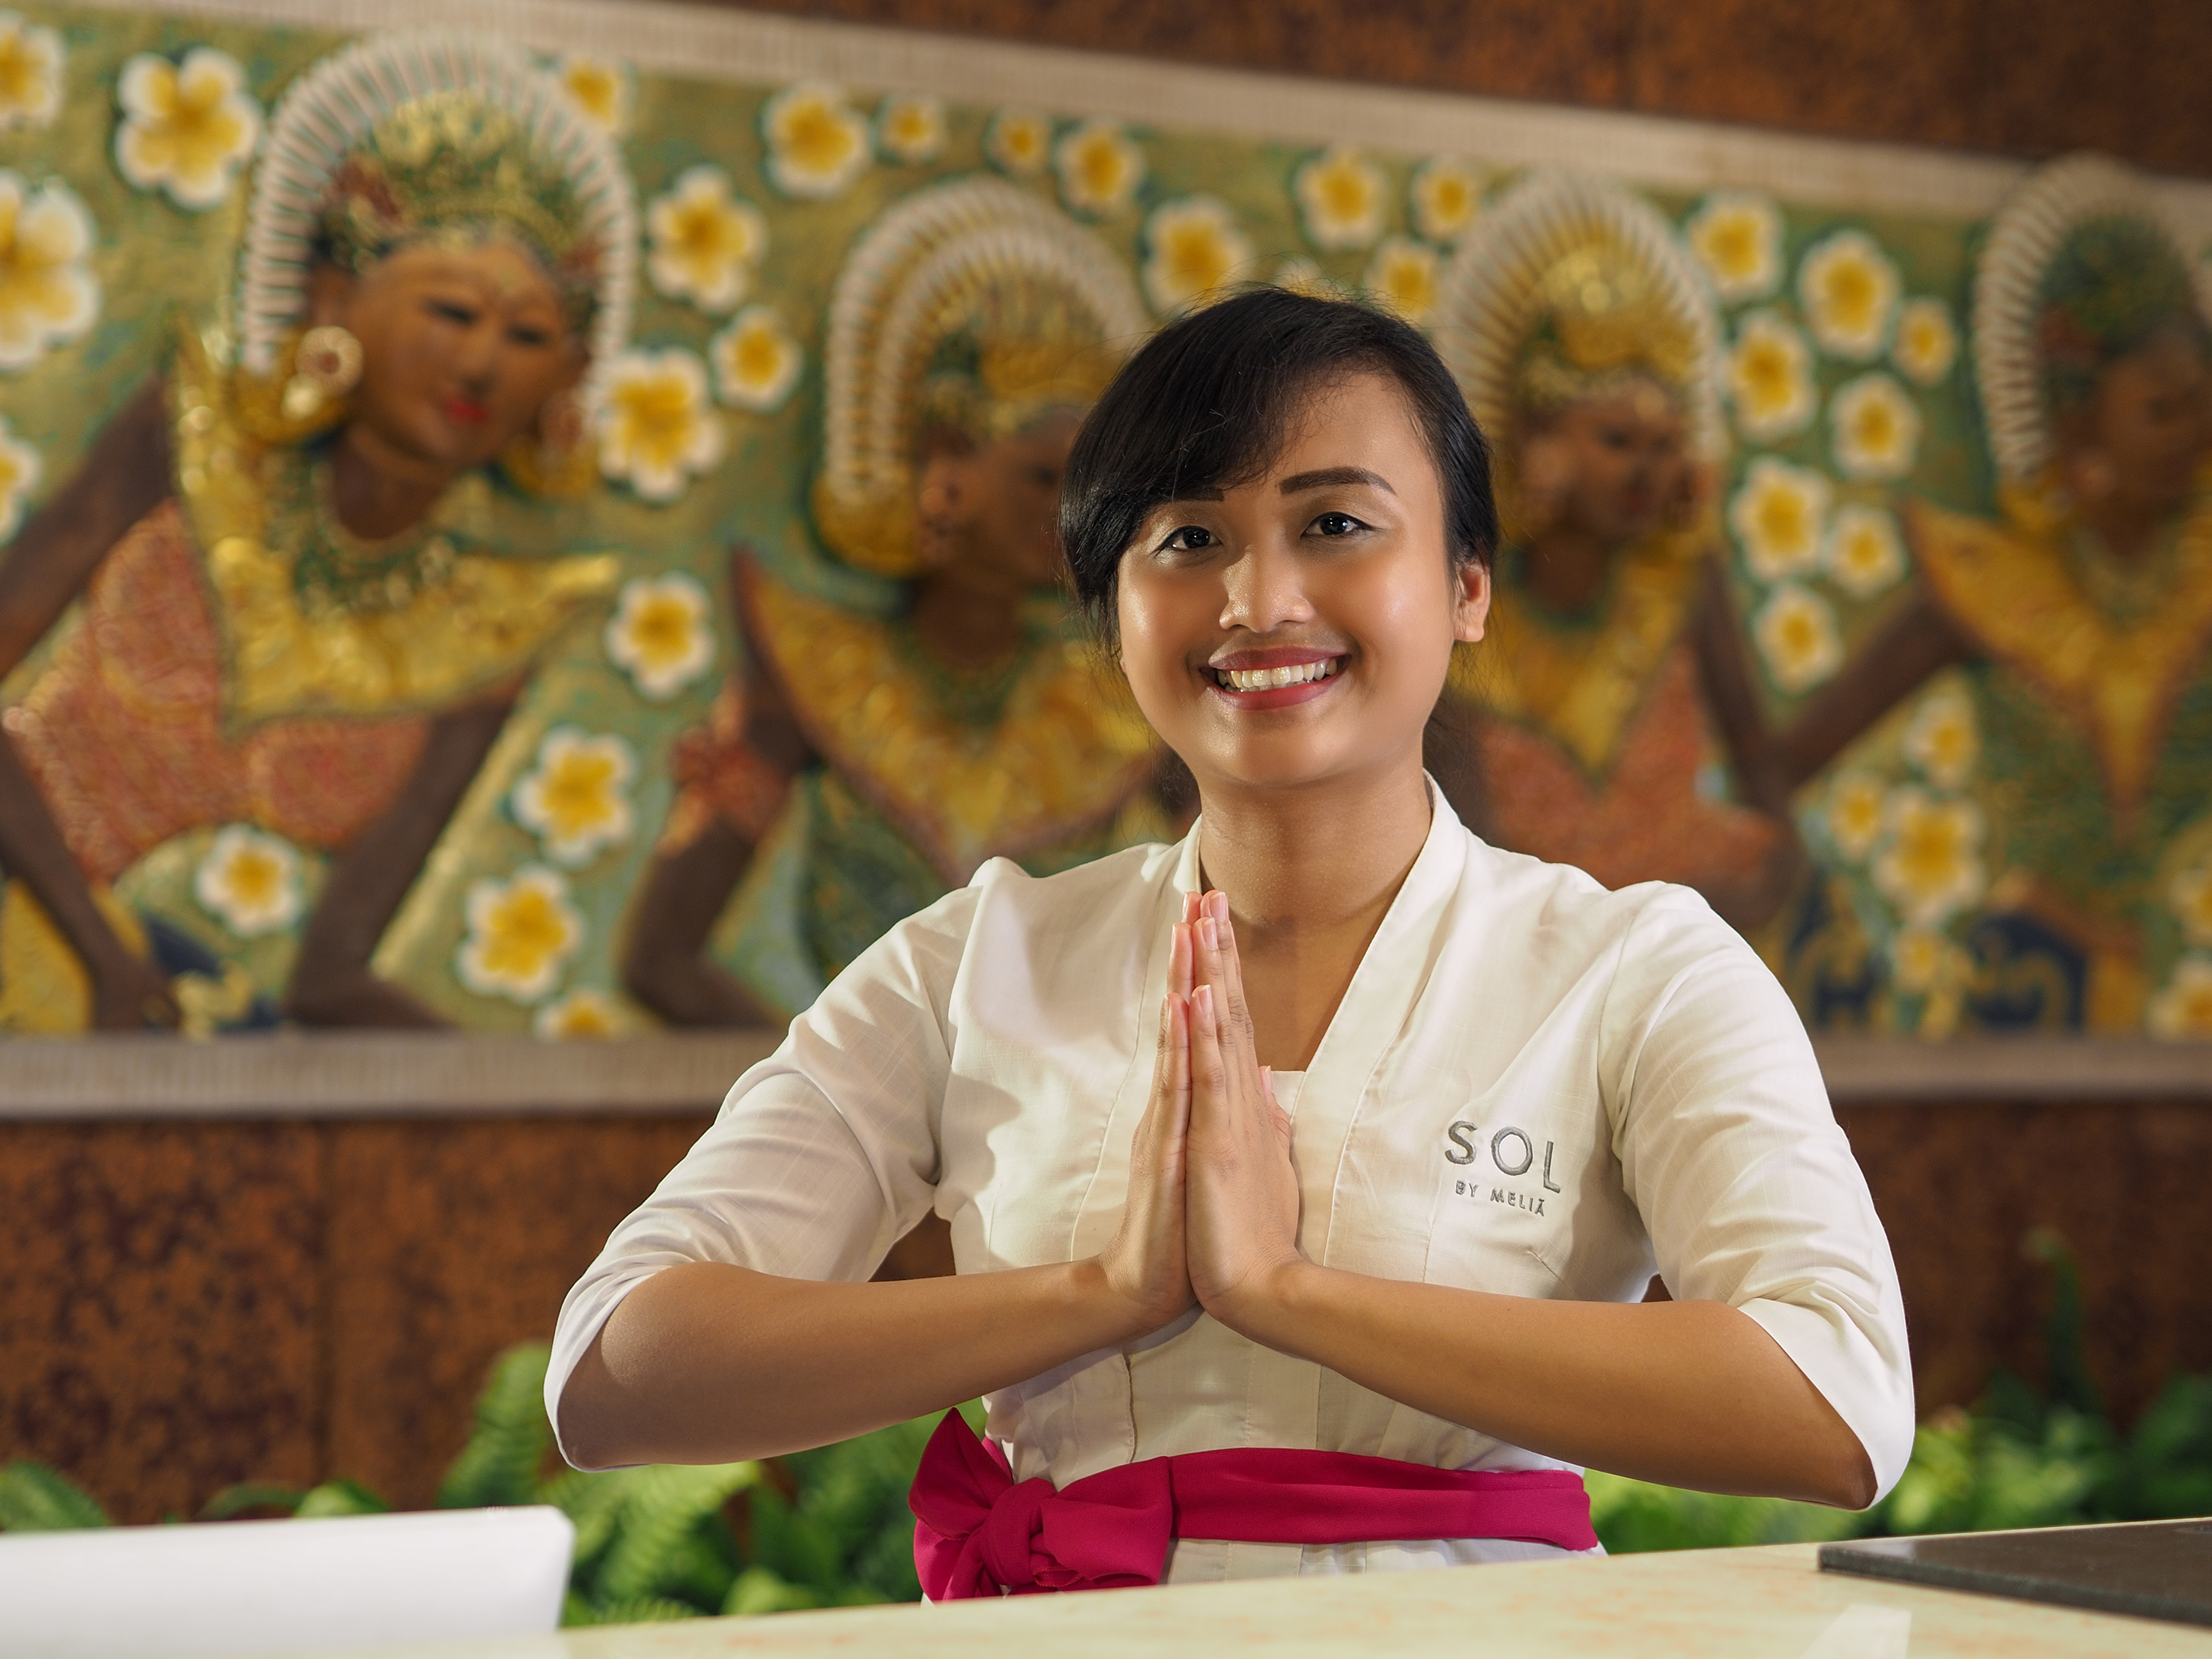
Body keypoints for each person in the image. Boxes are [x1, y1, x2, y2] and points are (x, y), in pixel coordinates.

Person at [551, 289, 1912, 1595]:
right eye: (1186, 541)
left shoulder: (1632, 969)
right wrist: (1099, 1291)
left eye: (1332, 522)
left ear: (1465, 588)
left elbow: (1835, 1403)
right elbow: (614, 1373)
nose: (1258, 599)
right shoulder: (974, 961)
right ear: (1113, 612)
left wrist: (1284, 1290)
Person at [0, 34, 633, 1033]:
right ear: (336, 299)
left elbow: (332, 973)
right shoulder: (191, 448)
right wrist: (98, 959)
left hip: (198, 1024)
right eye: (451, 309)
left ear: (565, 378)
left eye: (526, 335)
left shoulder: (489, 637)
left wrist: (507, 1083)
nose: (479, 363)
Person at [621, 177, 1181, 1032]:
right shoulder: (816, 675)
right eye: (1042, 476)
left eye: (1096, 486)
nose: (1071, 513)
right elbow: (660, 957)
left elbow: (1265, 919)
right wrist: (825, 1092)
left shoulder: (1130, 702)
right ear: (944, 471)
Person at [1772, 157, 2212, 1032]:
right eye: (2160, 411)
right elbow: (1799, 757)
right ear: (2075, 417)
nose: (2190, 436)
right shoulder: (1991, 585)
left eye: (2203, 406)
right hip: (2025, 973)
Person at [1426, 175, 1799, 937]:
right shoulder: (1460, 607)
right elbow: (1461, 840)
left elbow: (1759, 762)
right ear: (1537, 440)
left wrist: (1782, 860)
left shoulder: (1682, 583)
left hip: (1693, 929)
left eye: (1663, 447)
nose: (1644, 474)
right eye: (1616, 441)